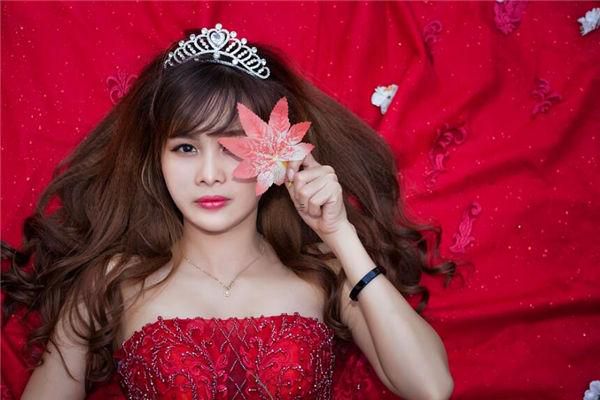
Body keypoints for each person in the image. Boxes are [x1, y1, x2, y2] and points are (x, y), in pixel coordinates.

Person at [2, 23, 457, 399]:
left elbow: (431, 387)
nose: (209, 175)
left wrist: (340, 235)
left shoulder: (325, 271)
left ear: (280, 153)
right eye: (185, 148)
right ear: (156, 159)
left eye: (232, 147)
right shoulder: (113, 280)